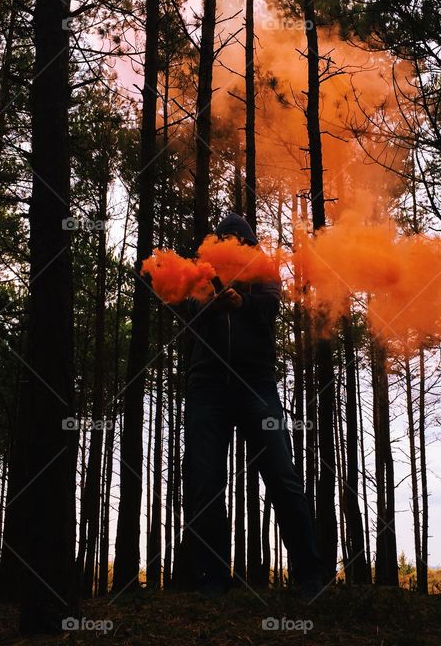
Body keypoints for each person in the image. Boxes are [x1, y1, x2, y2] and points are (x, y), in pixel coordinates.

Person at [183, 212, 324, 599]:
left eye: (238, 238)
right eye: (225, 237)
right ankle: (212, 579)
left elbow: (270, 308)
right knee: (206, 482)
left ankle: (310, 575)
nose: (232, 243)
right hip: (206, 385)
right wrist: (214, 302)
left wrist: (240, 301)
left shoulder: (264, 270)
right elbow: (191, 316)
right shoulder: (202, 272)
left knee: (282, 475)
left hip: (255, 385)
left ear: (249, 243)